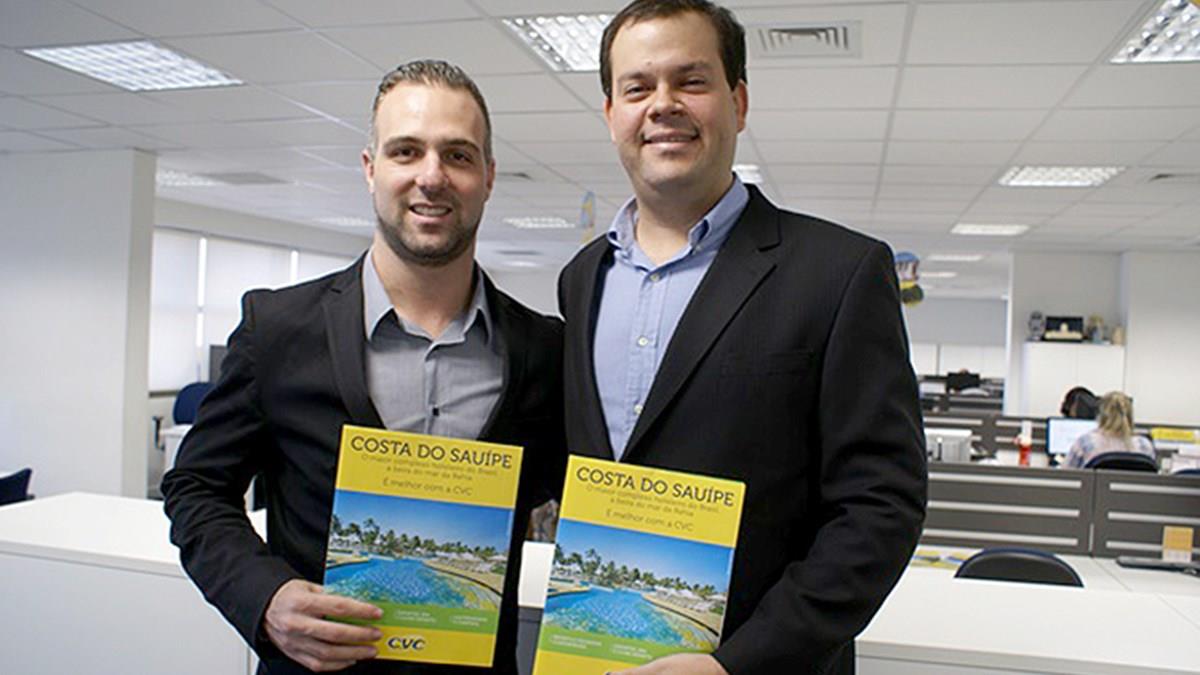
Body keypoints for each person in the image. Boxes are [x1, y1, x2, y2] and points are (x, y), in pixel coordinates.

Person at [557, 1, 927, 673]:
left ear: (739, 102)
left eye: (691, 81)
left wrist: (738, 664)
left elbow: (880, 507)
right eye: (637, 87)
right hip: (595, 654)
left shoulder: (839, 273)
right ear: (610, 113)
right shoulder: (582, 279)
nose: (662, 104)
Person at [161, 60, 565, 675]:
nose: (432, 176)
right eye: (406, 151)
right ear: (371, 168)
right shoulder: (277, 330)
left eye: (458, 155)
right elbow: (196, 488)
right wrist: (265, 597)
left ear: (487, 176)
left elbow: (586, 499)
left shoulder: (544, 349)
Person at [1064, 391, 1154, 469]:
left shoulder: (1086, 443)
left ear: (1101, 414)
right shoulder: (1144, 446)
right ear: (1130, 416)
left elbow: (1066, 476)